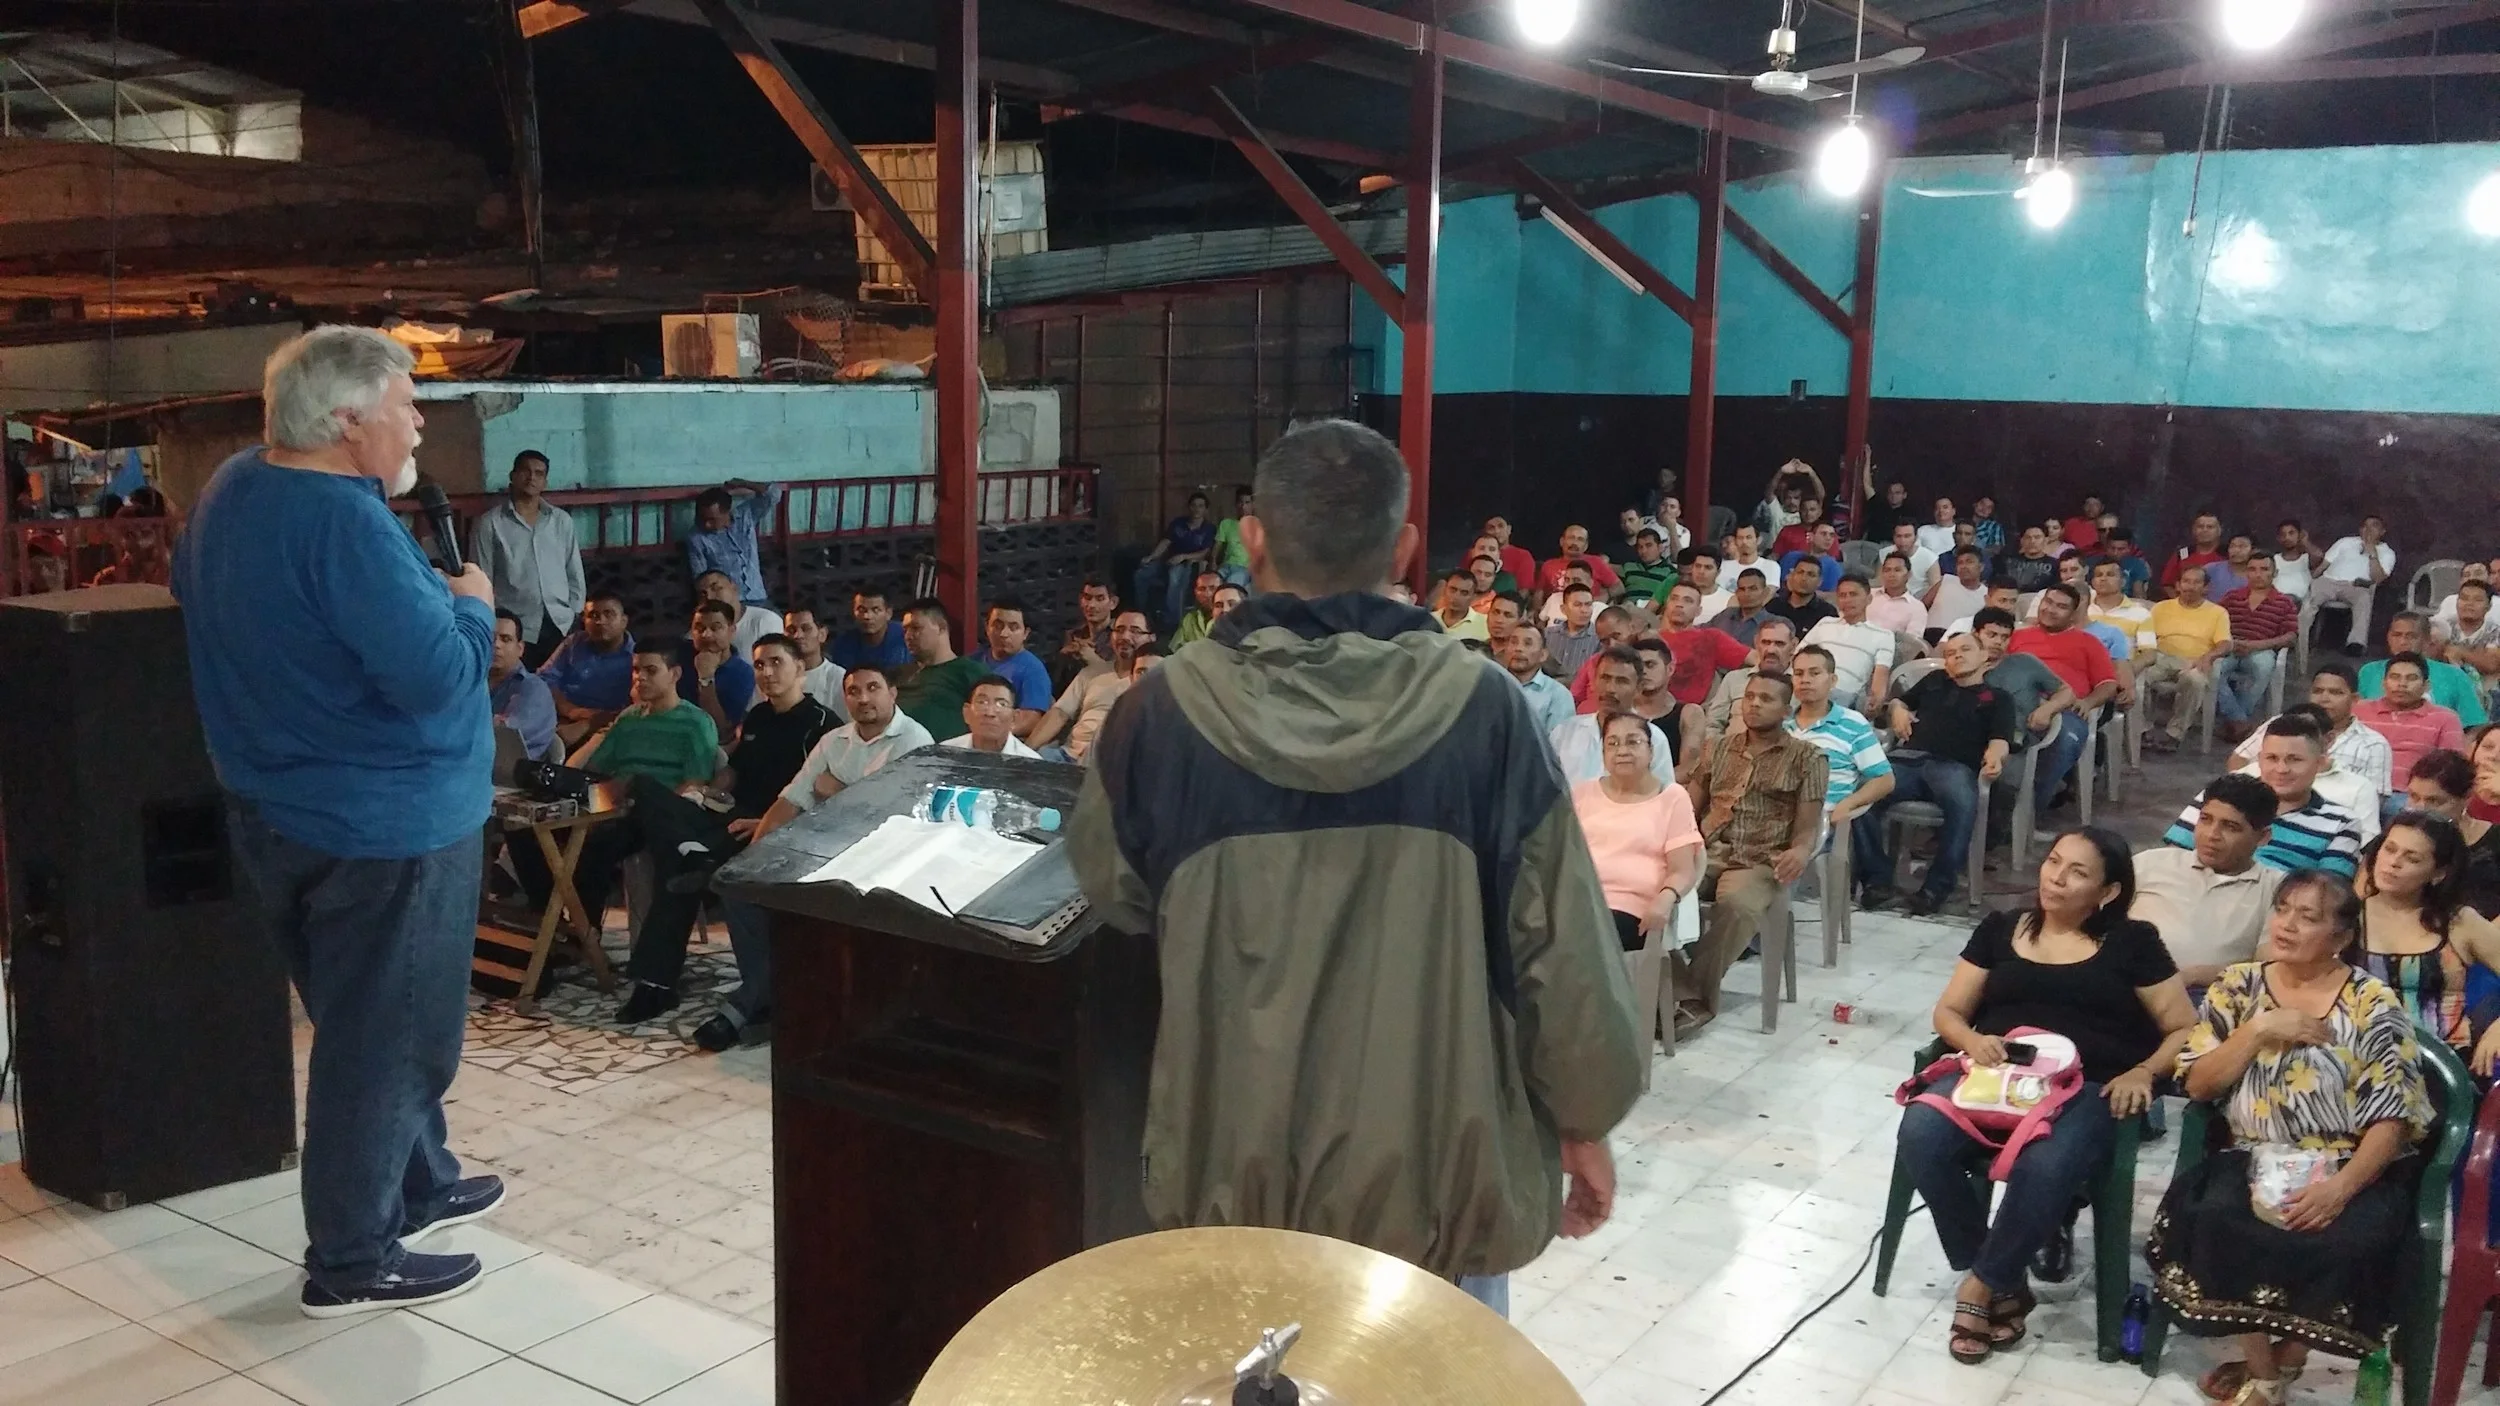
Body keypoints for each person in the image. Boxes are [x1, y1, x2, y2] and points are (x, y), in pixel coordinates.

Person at [1068, 418, 1642, 1311]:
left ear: (1252, 537)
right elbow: (1560, 949)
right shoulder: (1483, 711)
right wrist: (1582, 1119)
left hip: (1236, 1167)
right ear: (1406, 547)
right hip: (1432, 1181)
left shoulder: (1162, 714)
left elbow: (1114, 889)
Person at [173, 325, 503, 1316]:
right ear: (348, 418)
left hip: (283, 806)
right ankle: (354, 1255)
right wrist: (475, 606)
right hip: (386, 826)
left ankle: (421, 1178)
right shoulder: (346, 525)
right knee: (391, 1038)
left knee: (365, 1011)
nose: (417, 426)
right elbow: (441, 679)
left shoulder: (236, 485)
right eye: (407, 406)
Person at [1897, 829, 2195, 1364]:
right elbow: (1949, 1012)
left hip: (2090, 1084)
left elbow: (2182, 1027)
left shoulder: (2133, 942)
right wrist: (1972, 1040)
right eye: (2053, 862)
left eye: (2078, 872)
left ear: (2107, 892)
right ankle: (2002, 1281)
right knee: (1919, 1131)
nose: (2056, 877)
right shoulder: (2001, 928)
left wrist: (2144, 1073)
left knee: (2047, 1162)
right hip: (1997, 1076)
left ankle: (1979, 1287)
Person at [2144, 871, 2434, 1405]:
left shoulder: (2373, 1002)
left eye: (2308, 916)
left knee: (2347, 1238)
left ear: (2342, 936)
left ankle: (2287, 1360)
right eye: (2283, 909)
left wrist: (2340, 1188)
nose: (2288, 924)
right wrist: (2259, 1030)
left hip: (2346, 1161)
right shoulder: (2240, 984)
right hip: (2250, 1154)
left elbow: (2391, 1119)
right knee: (2216, 1218)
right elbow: (2201, 1083)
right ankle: (2264, 1373)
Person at [685, 635, 843, 1052]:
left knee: (735, 885)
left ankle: (746, 1004)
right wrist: (707, 791)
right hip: (737, 815)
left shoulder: (822, 727)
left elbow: (812, 799)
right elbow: (733, 772)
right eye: (759, 665)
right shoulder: (756, 717)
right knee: (661, 807)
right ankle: (694, 863)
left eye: (776, 662)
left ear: (800, 670)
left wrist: (762, 824)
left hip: (782, 830)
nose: (767, 672)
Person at [509, 638, 723, 933]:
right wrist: (601, 734)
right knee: (523, 831)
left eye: (650, 670)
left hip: (653, 814)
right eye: (636, 670)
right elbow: (594, 768)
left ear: (674, 674)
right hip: (609, 802)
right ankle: (551, 921)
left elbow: (695, 783)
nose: (640, 677)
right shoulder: (629, 718)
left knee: (594, 846)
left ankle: (585, 932)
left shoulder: (696, 722)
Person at [1679, 673, 1826, 1034]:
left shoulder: (1807, 758)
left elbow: (1807, 827)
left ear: (1787, 710)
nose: (1755, 704)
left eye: (1766, 698)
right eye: (1749, 697)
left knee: (1737, 907)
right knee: (1653, 895)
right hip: (1707, 849)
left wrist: (1801, 852)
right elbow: (1689, 809)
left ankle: (1691, 999)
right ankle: (1669, 989)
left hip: (1761, 858)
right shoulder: (1718, 747)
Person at [1858, 633, 2016, 915]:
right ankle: (1877, 881)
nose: (1956, 656)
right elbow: (1900, 702)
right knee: (1860, 798)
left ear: (1984, 657)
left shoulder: (1997, 698)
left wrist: (1995, 757)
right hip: (1907, 760)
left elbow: (2001, 739)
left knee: (1963, 807)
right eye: (1950, 652)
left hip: (1953, 768)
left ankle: (1934, 889)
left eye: (1965, 649)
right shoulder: (1933, 682)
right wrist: (1898, 709)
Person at [2353, 811, 2500, 1063]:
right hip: (2355, 1054)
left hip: (2442, 1063)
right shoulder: (2346, 914)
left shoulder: (2459, 922)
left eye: (2412, 858)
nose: (2393, 862)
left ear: (2438, 873)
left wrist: (2497, 1030)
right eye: (2389, 849)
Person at [2168, 713, 2366, 879]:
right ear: (2260, 760)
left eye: (2295, 760)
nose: (2281, 769)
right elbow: (2174, 857)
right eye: (2272, 758)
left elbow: (2327, 893)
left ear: (2320, 764)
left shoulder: (2342, 823)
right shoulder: (2220, 798)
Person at [2131, 774, 2283, 990]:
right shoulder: (2151, 863)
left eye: (2230, 827)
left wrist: (2196, 975)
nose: (2212, 835)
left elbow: (2269, 971)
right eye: (2205, 819)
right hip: (2121, 984)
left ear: (2263, 837)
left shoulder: (2277, 890)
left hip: (2209, 996)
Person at [1572, 711, 1705, 952]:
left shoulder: (1672, 797)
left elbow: (1683, 870)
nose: (1622, 750)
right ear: (1603, 754)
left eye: (1633, 742)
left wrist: (1665, 899)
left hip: (1632, 909)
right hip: (1579, 901)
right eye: (1612, 743)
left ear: (1651, 751)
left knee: (1585, 939)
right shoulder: (1582, 794)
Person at [468, 449, 583, 669]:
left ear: (545, 482)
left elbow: (573, 571)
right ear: (512, 476)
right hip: (515, 626)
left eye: (539, 474)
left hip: (560, 623)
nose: (532, 478)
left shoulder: (561, 521)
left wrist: (574, 612)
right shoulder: (490, 524)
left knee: (560, 690)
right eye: (526, 471)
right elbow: (482, 579)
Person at [1971, 607, 2087, 816]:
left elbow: (2066, 691)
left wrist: (2048, 709)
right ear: (1975, 634)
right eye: (1992, 635)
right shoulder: (1962, 666)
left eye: (2005, 637)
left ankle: (1994, 834)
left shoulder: (2024, 663)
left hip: (2014, 741)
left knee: (2002, 786)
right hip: (1969, 739)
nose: (1998, 642)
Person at [2236, 664, 2393, 805]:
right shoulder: (2280, 724)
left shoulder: (2373, 744)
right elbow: (2239, 759)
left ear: (2355, 699)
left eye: (2335, 693)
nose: (2324, 699)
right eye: (2318, 691)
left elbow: (2374, 800)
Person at [1789, 644, 1895, 840]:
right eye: (1799, 674)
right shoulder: (1781, 723)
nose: (1805, 680)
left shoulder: (1852, 723)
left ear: (1832, 680)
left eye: (1814, 673)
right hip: (1772, 819)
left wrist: (1848, 804)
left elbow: (1884, 780)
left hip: (1819, 827)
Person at [1029, 610, 1155, 764]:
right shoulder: (1091, 673)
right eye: (1119, 630)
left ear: (1151, 637)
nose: (1125, 637)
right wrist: (1025, 751)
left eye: (1135, 631)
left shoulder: (1152, 681)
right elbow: (1060, 713)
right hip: (1066, 756)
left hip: (1108, 764)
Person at [2136, 564, 2233, 751]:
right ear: (2178, 585)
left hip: (2195, 659)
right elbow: (2146, 636)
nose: (2190, 586)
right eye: (2186, 582)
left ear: (2206, 588)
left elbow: (2226, 643)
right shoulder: (2161, 608)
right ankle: (2142, 729)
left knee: (2195, 680)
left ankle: (2174, 733)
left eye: (2197, 582)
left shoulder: (2218, 612)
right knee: (2137, 676)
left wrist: (2209, 656)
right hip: (2161, 656)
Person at [1553, 647, 1680, 786]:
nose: (1610, 689)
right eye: (1605, 678)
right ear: (1594, 681)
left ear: (1638, 688)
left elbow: (1665, 795)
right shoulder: (1564, 733)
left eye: (1621, 681)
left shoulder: (1654, 738)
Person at [2397, 749, 2500, 919]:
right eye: (2414, 797)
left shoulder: (2495, 839)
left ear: (2467, 797)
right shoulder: (2396, 835)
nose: (2420, 809)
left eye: (2434, 801)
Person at [2354, 653, 2467, 801]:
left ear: (2426, 686)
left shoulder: (2446, 718)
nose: (2402, 684)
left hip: (2411, 797)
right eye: (2395, 677)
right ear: (2383, 683)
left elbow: (2451, 767)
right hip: (2360, 792)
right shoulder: (2358, 712)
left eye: (2411, 678)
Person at [2212, 554, 2301, 736]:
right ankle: (2240, 720)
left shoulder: (2284, 602)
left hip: (2262, 649)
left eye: (2264, 569)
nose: (2258, 574)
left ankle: (2236, 720)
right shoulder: (2232, 597)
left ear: (2274, 573)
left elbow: (2291, 636)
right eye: (2252, 569)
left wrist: (2257, 645)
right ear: (2246, 573)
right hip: (2230, 646)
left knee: (2264, 666)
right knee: (2212, 670)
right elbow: (2213, 623)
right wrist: (2230, 642)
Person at [539, 590, 635, 743]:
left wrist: (588, 724)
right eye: (593, 615)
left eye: (608, 614)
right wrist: (569, 710)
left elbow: (637, 707)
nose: (600, 621)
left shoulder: (636, 657)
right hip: (560, 717)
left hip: (611, 728)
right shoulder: (574, 642)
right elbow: (545, 679)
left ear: (624, 621)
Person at [2359, 613, 2489, 724]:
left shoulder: (2454, 675)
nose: (2403, 642)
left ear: (2427, 639)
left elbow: (2474, 725)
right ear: (2388, 637)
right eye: (2397, 635)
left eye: (2411, 636)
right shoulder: (2369, 671)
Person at [892, 597, 986, 742]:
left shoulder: (969, 671)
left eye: (916, 628)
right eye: (905, 630)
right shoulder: (898, 674)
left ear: (941, 627)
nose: (908, 636)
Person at [685, 479, 784, 608]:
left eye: (712, 520)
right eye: (701, 518)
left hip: (758, 596)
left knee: (779, 624)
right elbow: (700, 580)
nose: (706, 524)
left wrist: (744, 483)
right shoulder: (697, 537)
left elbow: (774, 494)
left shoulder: (745, 516)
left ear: (726, 513)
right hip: (728, 604)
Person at [1800, 574, 1894, 708]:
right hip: (1806, 684)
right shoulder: (1825, 623)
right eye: (1842, 596)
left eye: (1853, 594)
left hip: (1843, 695)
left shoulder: (1883, 635)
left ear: (1869, 599)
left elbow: (1880, 676)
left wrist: (1875, 701)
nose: (1847, 600)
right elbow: (1798, 656)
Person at [1131, 489, 1219, 629]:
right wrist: (1152, 557)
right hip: (1168, 560)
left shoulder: (1208, 528)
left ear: (1206, 509)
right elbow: (1166, 542)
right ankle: (1141, 614)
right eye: (1194, 505)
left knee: (1175, 575)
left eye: (1201, 506)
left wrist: (1183, 556)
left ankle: (1172, 621)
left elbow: (1205, 553)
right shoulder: (1178, 523)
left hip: (1190, 564)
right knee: (1141, 574)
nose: (1197, 509)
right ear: (1189, 507)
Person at [1658, 583, 1751, 708]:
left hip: (1692, 712)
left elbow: (1756, 659)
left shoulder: (1711, 638)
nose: (1679, 604)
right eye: (1674, 598)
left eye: (1688, 601)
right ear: (1667, 605)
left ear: (1698, 611)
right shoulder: (1649, 638)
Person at [2311, 517, 2394, 656]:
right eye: (2364, 526)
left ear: (2382, 531)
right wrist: (2311, 578)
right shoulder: (2345, 542)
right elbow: (2323, 566)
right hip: (2329, 580)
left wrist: (2372, 553)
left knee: (2364, 600)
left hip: (2356, 586)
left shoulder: (2387, 553)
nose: (2368, 530)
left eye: (2374, 526)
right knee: (2310, 597)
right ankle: (2301, 634)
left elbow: (2378, 578)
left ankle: (2356, 644)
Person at [969, 596, 1052, 735]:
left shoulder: (1033, 669)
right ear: (987, 627)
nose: (1004, 634)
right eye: (997, 625)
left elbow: (1030, 719)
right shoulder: (972, 661)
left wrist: (989, 733)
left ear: (1025, 633)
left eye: (1013, 628)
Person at [1706, 615, 1796, 734]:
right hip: (1730, 749)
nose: (1771, 650)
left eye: (1779, 644)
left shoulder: (1801, 684)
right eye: (1766, 642)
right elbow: (1713, 724)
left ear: (1793, 646)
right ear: (1756, 643)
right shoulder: (1734, 679)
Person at [677, 599, 756, 735]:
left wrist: (706, 678)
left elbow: (721, 729)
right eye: (699, 628)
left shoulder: (743, 673)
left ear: (731, 631)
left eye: (715, 628)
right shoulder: (679, 657)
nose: (706, 635)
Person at [489, 609, 558, 761]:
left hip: (511, 778)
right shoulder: (469, 680)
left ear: (520, 649)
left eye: (505, 639)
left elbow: (506, 735)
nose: (496, 645)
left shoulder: (534, 689)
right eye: (490, 638)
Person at [1502, 627, 1576, 735]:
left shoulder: (1558, 695)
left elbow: (1557, 744)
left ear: (1543, 655)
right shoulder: (1492, 686)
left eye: (1527, 644)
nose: (1518, 648)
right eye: (1513, 642)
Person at [946, 675, 1041, 757]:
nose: (990, 713)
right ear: (966, 712)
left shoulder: (1030, 763)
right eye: (982, 702)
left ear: (1014, 718)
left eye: (1001, 704)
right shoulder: (945, 753)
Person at [695, 570, 783, 658]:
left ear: (734, 588)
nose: (709, 597)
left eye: (716, 588)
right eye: (703, 594)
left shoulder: (765, 621)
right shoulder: (697, 636)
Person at [779, 604, 847, 716]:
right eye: (791, 630)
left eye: (805, 629)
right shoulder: (777, 675)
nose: (797, 635)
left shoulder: (838, 677)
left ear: (822, 634)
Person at [1056, 577, 1120, 686]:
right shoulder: (1072, 635)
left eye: (1099, 599)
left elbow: (1121, 680)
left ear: (1113, 603)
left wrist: (1093, 659)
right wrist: (1063, 656)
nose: (1091, 605)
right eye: (1087, 598)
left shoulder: (1120, 636)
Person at [830, 587, 911, 671]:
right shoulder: (843, 645)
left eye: (876, 610)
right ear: (853, 612)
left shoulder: (907, 635)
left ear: (888, 613)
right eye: (861, 610)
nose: (867, 616)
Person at [1538, 523, 1624, 596]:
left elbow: (1619, 587)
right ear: (1562, 541)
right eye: (1571, 538)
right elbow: (1539, 592)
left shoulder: (1596, 562)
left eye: (1580, 539)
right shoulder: (1548, 565)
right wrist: (1536, 610)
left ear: (1586, 546)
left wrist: (1605, 595)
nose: (1575, 543)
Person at [1703, 565, 1776, 648]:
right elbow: (1699, 632)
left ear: (1765, 592)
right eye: (1742, 589)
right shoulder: (1725, 615)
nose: (1747, 594)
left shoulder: (1774, 624)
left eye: (1753, 589)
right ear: (1737, 593)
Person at [1926, 547, 1991, 638]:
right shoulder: (1946, 580)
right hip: (1929, 635)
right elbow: (1923, 605)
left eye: (1969, 562)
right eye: (1960, 563)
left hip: (1958, 641)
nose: (1964, 566)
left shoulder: (1986, 595)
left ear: (1981, 567)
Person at [2160, 511, 2227, 594]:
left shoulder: (2227, 555)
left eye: (2210, 527)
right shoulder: (2183, 554)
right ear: (2193, 529)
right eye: (2200, 526)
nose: (2204, 530)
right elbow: (2167, 584)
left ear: (2220, 530)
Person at [1544, 584, 1602, 679]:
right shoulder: (1547, 635)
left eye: (1588, 604)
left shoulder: (1599, 639)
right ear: (1563, 609)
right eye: (1577, 605)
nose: (1584, 610)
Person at [1769, 555, 1837, 635]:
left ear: (1820, 582)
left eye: (1811, 575)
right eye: (1800, 572)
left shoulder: (1827, 613)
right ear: (1792, 576)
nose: (1804, 578)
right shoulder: (1773, 606)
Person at [1869, 552, 1931, 637]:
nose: (1892, 575)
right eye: (1887, 570)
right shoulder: (1868, 595)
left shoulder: (1917, 608)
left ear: (1909, 575)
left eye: (1897, 570)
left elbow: (1911, 644)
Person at [1777, 521, 1845, 595]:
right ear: (1810, 536)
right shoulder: (1790, 557)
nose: (1828, 538)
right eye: (1823, 534)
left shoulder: (1833, 566)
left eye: (1832, 535)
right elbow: (1778, 583)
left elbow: (1834, 595)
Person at [1169, 568, 1229, 647]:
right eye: (1202, 589)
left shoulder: (1231, 618)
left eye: (1213, 588)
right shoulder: (1189, 619)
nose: (1207, 594)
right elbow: (1175, 649)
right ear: (1195, 592)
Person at [1619, 527, 1677, 608]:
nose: (1643, 551)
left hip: (1652, 613)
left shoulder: (1670, 572)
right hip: (1626, 611)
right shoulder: (1628, 566)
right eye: (1640, 547)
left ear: (1660, 548)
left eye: (1648, 545)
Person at [1429, 567, 1490, 642]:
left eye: (1464, 593)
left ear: (1473, 597)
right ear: (1444, 590)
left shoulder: (1486, 624)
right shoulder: (1429, 619)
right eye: (1453, 590)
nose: (1456, 597)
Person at [1211, 483, 1254, 587]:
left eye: (1247, 502)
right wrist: (1213, 562)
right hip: (1226, 566)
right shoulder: (1226, 523)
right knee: (1211, 582)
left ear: (1253, 504)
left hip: (1244, 568)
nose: (1243, 506)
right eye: (1240, 502)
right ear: (1235, 504)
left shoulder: (1257, 526)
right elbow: (1217, 546)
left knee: (1232, 582)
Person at [2000, 526, 2060, 593]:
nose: (2032, 541)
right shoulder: (2008, 562)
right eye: (2028, 537)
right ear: (2021, 541)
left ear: (2046, 540)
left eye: (2037, 537)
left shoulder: (2055, 564)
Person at [1684, 546, 1732, 620]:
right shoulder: (1679, 595)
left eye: (1708, 567)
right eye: (1698, 566)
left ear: (1718, 572)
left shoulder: (1729, 600)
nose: (1701, 571)